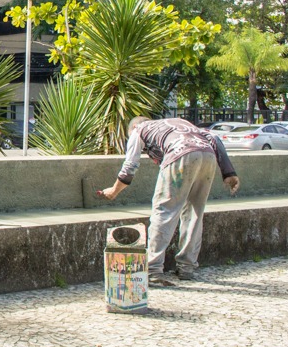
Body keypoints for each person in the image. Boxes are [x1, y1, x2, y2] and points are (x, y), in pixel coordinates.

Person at [98, 116, 240, 287]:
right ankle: (187, 268)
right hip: (207, 155)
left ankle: (152, 269)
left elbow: (130, 165)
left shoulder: (139, 129)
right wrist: (229, 172)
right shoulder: (178, 123)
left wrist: (114, 190)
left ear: (134, 125)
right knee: (194, 213)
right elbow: (214, 138)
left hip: (180, 154)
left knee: (164, 211)